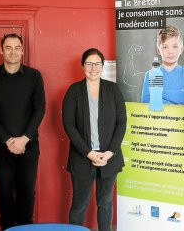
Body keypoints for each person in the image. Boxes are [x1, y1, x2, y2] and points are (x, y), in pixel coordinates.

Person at [0, 33, 45, 230]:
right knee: (5, 193)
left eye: (17, 47)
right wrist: (8, 140)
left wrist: (24, 139)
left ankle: (26, 228)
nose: (13, 51)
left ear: (23, 50)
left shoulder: (35, 76)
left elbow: (39, 109)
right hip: (1, 147)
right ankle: (7, 228)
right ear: (1, 50)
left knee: (27, 193)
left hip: (29, 146)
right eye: (8, 47)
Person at [62, 48, 127, 231]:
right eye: (89, 64)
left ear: (102, 66)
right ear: (83, 66)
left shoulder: (113, 89)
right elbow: (69, 125)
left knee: (105, 203)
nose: (93, 68)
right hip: (82, 157)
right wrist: (88, 152)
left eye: (97, 64)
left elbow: (122, 123)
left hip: (109, 157)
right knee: (80, 203)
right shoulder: (74, 91)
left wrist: (110, 152)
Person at [141, 25, 184, 104]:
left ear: (181, 49)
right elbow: (146, 100)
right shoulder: (151, 74)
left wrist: (158, 93)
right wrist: (180, 95)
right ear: (158, 50)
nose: (170, 51)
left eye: (175, 46)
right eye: (165, 47)